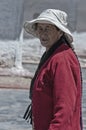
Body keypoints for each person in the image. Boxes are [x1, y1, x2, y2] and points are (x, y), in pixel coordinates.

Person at [23, 9, 83, 130]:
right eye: (40, 29)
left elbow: (64, 108)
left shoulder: (62, 59)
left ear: (60, 32)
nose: (43, 34)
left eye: (48, 29)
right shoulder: (52, 56)